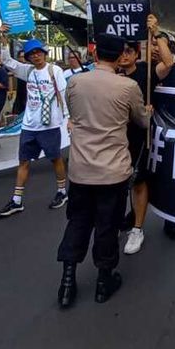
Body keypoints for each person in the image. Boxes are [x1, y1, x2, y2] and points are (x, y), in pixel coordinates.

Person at [55, 33, 150, 308]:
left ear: (94, 54)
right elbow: (141, 122)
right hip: (113, 170)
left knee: (78, 221)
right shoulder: (128, 86)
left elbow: (74, 116)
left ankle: (67, 282)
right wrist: (148, 112)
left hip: (81, 168)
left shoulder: (75, 82)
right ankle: (103, 281)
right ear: (121, 56)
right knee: (107, 225)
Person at [118, 15, 175, 253]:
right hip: (115, 139)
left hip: (143, 136)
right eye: (120, 52)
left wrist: (156, 33)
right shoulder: (109, 74)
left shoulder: (146, 72)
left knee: (141, 180)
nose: (123, 56)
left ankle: (138, 229)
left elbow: (168, 63)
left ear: (136, 54)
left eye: (128, 51)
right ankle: (121, 218)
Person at [0, 26, 70, 216]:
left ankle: (62, 191)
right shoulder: (27, 72)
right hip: (29, 126)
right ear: (27, 57)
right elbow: (6, 61)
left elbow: (63, 94)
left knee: (55, 159)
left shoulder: (55, 71)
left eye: (38, 52)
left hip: (50, 125)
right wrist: (3, 36)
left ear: (44, 54)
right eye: (31, 54)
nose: (36, 56)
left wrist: (69, 119)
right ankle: (17, 200)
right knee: (24, 161)